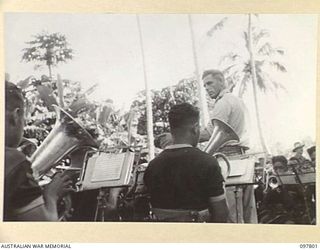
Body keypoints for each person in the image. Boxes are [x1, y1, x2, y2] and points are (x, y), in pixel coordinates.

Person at [144, 103, 228, 222]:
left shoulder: (152, 166)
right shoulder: (208, 163)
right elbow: (221, 213)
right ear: (195, 128)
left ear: (172, 130)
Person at [4, 81, 72, 221]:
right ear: (16, 116)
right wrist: (51, 195)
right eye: (24, 119)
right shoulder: (14, 160)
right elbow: (42, 229)